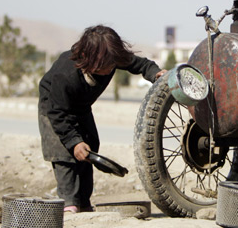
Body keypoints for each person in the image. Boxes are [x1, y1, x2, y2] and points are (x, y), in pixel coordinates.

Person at [38, 25, 166, 213]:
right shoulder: (65, 74)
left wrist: (156, 73)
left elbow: (141, 65)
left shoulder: (111, 57)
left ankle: (83, 203)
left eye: (112, 63)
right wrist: (73, 142)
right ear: (89, 59)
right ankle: (69, 204)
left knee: (88, 149)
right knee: (65, 155)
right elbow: (58, 113)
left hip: (81, 107)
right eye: (105, 65)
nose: (110, 68)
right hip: (54, 108)